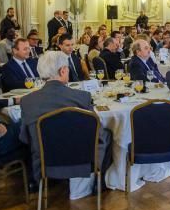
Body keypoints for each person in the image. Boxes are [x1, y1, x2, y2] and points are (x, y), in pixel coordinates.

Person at [19, 51, 113, 195]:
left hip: (46, 163)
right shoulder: (82, 97)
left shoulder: (27, 101)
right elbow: (96, 132)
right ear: (63, 71)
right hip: (83, 161)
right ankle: (98, 184)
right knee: (107, 134)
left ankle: (43, 183)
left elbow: (25, 138)